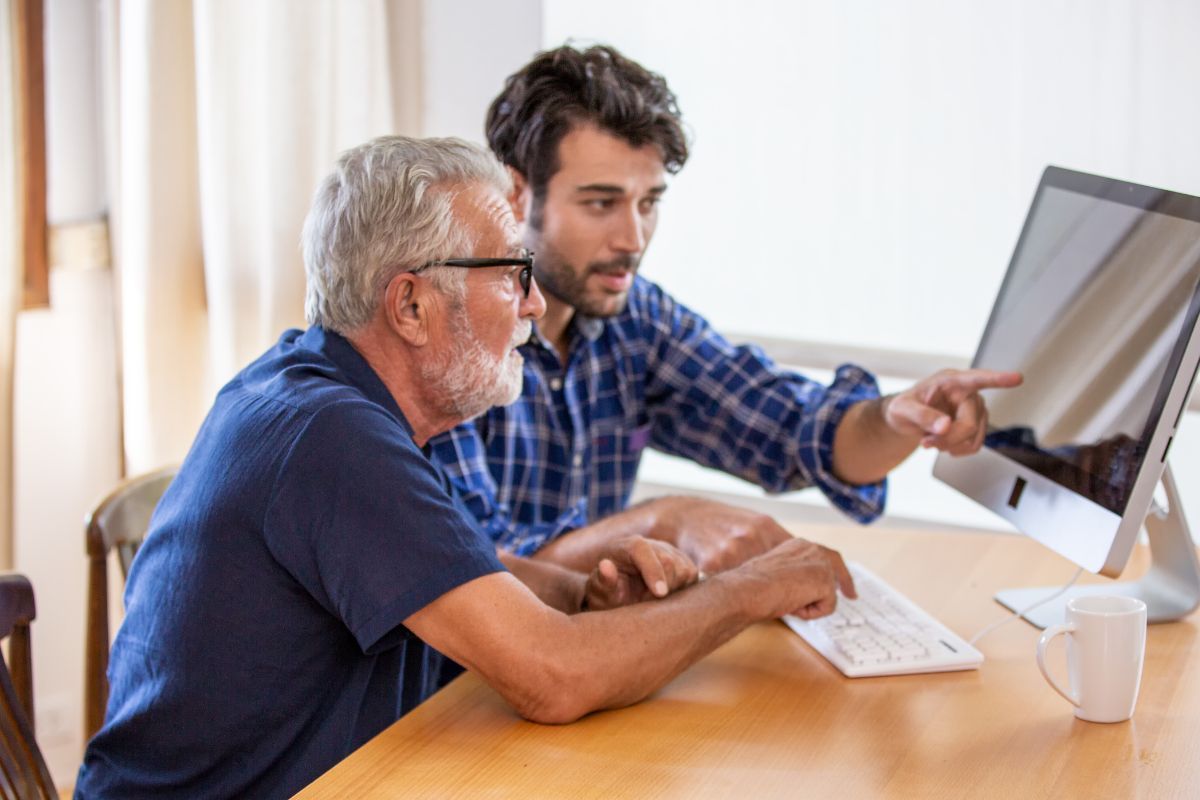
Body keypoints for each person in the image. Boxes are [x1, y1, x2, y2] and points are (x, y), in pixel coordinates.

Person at [75, 135, 858, 799]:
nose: (535, 306)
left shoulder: (324, 394)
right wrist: (755, 588)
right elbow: (554, 679)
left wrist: (581, 590)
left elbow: (448, 577)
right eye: (512, 275)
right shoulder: (332, 439)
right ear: (410, 305)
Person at [428, 44, 1021, 574]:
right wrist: (663, 522)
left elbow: (795, 432)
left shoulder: (634, 321)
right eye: (602, 203)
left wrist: (896, 416)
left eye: (649, 202)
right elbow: (481, 569)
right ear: (515, 192)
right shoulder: (446, 340)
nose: (633, 238)